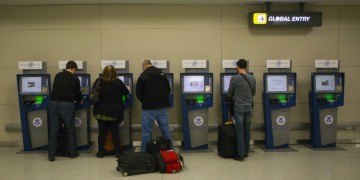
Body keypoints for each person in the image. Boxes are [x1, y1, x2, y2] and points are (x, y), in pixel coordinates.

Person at [136, 60, 173, 152]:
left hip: (148, 107)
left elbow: (138, 93)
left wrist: (145, 101)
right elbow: (168, 90)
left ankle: (145, 153)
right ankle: (170, 150)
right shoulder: (162, 74)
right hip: (162, 107)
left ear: (144, 65)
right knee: (165, 129)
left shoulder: (143, 76)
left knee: (146, 132)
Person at [48, 60, 82, 161]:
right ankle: (72, 153)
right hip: (66, 104)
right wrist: (79, 101)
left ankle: (51, 155)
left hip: (53, 103)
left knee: (53, 129)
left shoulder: (58, 75)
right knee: (70, 129)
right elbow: (77, 93)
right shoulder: (74, 78)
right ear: (74, 68)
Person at [93, 65, 129, 158]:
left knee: (102, 132)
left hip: (101, 111)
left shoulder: (99, 81)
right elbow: (126, 92)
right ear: (114, 72)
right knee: (115, 132)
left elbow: (93, 92)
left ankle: (100, 152)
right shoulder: (118, 82)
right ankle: (117, 151)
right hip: (114, 111)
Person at [227, 59, 256, 161]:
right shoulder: (252, 78)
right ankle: (247, 151)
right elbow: (253, 93)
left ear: (237, 66)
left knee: (240, 130)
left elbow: (229, 93)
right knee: (247, 129)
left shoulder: (234, 78)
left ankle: (240, 154)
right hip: (249, 107)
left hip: (239, 107)